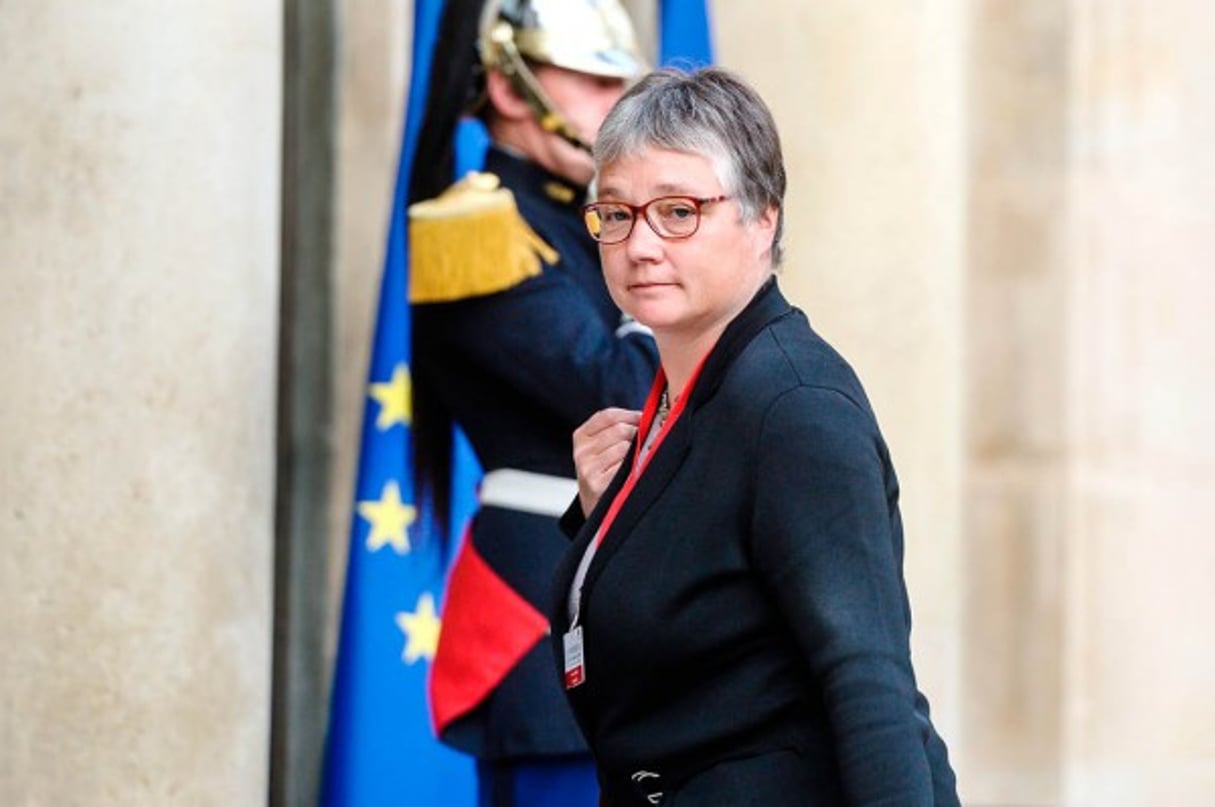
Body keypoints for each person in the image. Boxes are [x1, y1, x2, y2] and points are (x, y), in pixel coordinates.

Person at [550, 67, 961, 806]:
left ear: (762, 217)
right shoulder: (683, 400)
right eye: (615, 212)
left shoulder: (793, 404)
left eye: (677, 211)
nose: (639, 244)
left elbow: (867, 682)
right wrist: (609, 514)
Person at [411, 2, 660, 806]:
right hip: (542, 612)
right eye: (592, 82)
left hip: (643, 604)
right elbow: (622, 394)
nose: (617, 109)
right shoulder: (476, 229)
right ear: (512, 89)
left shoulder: (586, 216)